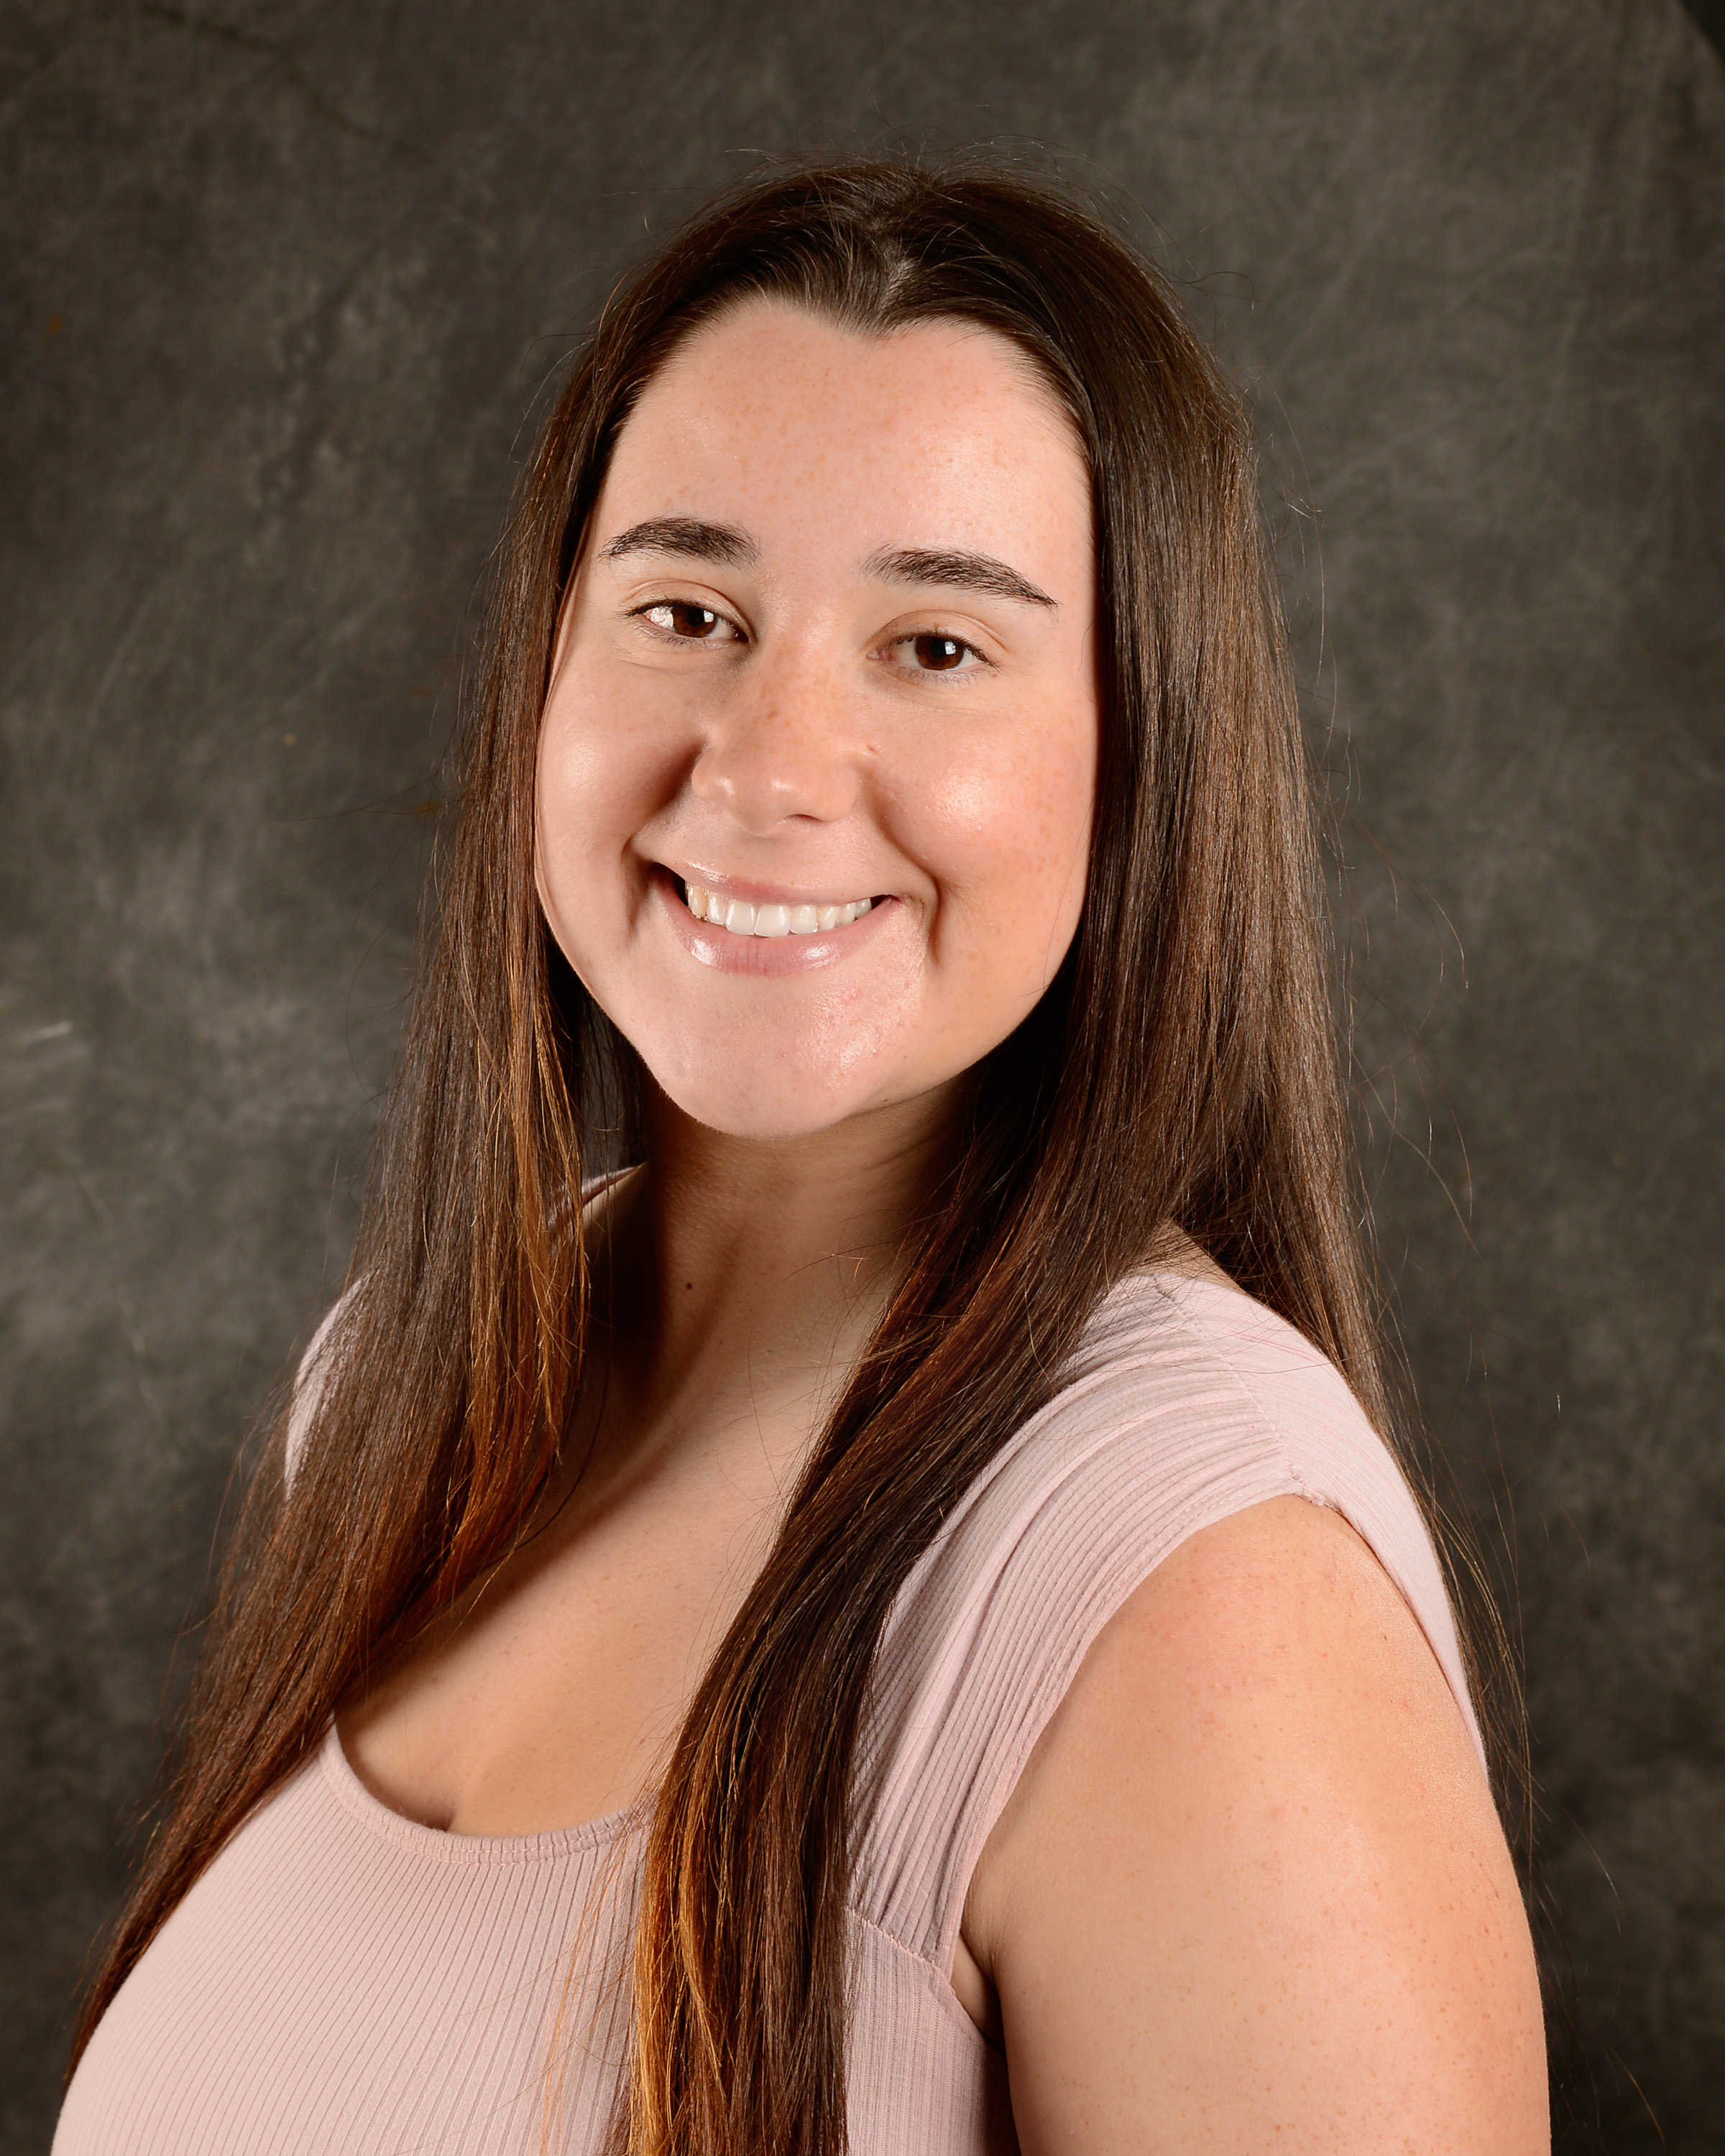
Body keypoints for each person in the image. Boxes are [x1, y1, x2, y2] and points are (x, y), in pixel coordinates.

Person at [55, 158, 1548, 2155]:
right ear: (545, 677)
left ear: (1141, 763)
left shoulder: (1196, 1595)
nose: (763, 766)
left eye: (937, 646)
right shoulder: (402, 1396)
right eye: (687, 609)